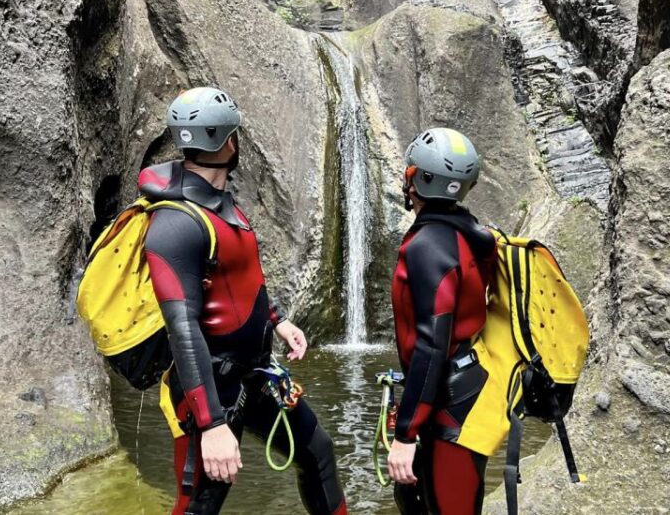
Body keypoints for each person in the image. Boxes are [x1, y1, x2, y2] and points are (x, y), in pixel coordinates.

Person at [142, 87, 348, 515]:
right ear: (227, 142)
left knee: (317, 452)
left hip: (254, 376)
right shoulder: (175, 223)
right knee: (199, 503)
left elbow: (242, 280)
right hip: (209, 390)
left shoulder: (222, 204)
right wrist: (213, 424)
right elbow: (183, 329)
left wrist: (277, 321)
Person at [387, 128, 498, 514]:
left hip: (449, 399)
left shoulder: (427, 247)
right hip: (463, 386)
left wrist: (405, 434)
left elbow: (432, 345)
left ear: (415, 179)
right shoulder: (467, 232)